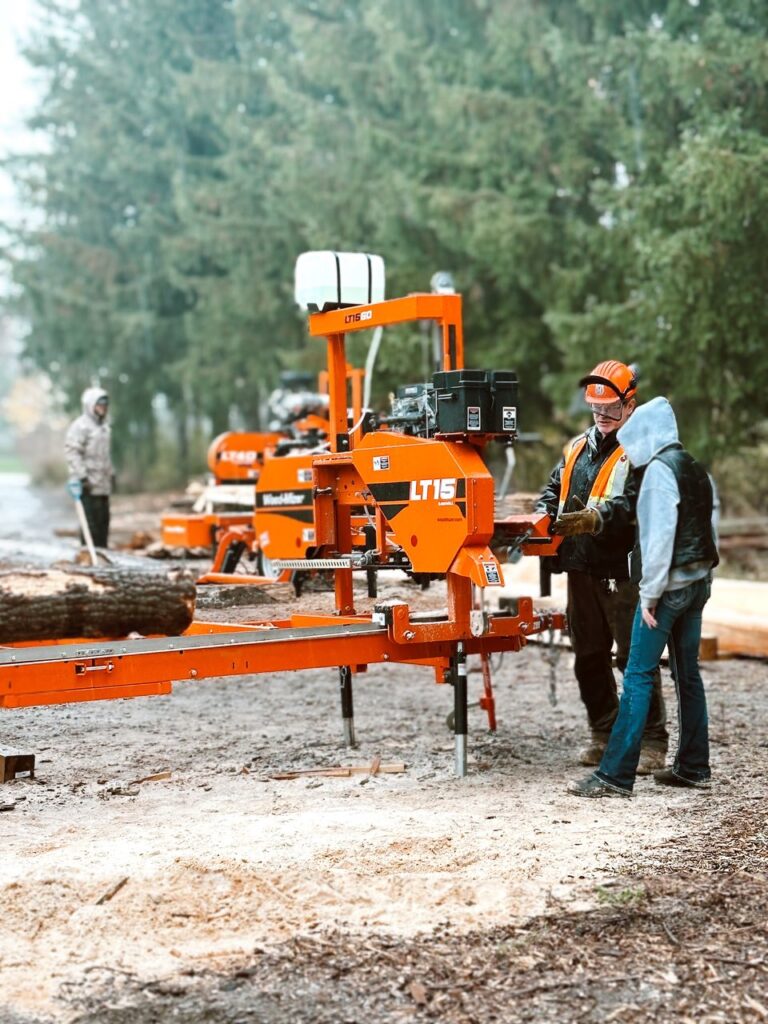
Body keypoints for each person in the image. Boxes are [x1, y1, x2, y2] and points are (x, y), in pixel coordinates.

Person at [568, 396, 718, 798]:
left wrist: (649, 597)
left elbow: (658, 542)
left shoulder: (658, 474)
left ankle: (614, 776)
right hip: (698, 585)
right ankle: (693, 767)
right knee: (688, 675)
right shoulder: (694, 468)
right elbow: (709, 530)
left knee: (636, 675)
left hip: (665, 591)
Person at [537, 361, 668, 772]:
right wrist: (541, 512)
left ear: (631, 404)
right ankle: (604, 732)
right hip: (580, 565)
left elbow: (632, 504)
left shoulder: (641, 450)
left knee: (634, 659)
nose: (604, 417)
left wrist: (596, 518)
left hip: (623, 569)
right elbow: (553, 488)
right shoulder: (578, 446)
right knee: (588, 655)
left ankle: (651, 742)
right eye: (597, 410)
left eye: (611, 409)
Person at [64, 386, 114, 549]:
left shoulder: (104, 428)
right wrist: (81, 476)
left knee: (103, 525)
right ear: (90, 405)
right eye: (99, 405)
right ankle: (88, 559)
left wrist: (112, 474)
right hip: (87, 486)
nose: (103, 408)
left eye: (105, 405)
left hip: (103, 486)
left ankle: (103, 560)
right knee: (89, 527)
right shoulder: (80, 427)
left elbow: (104, 456)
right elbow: (72, 452)